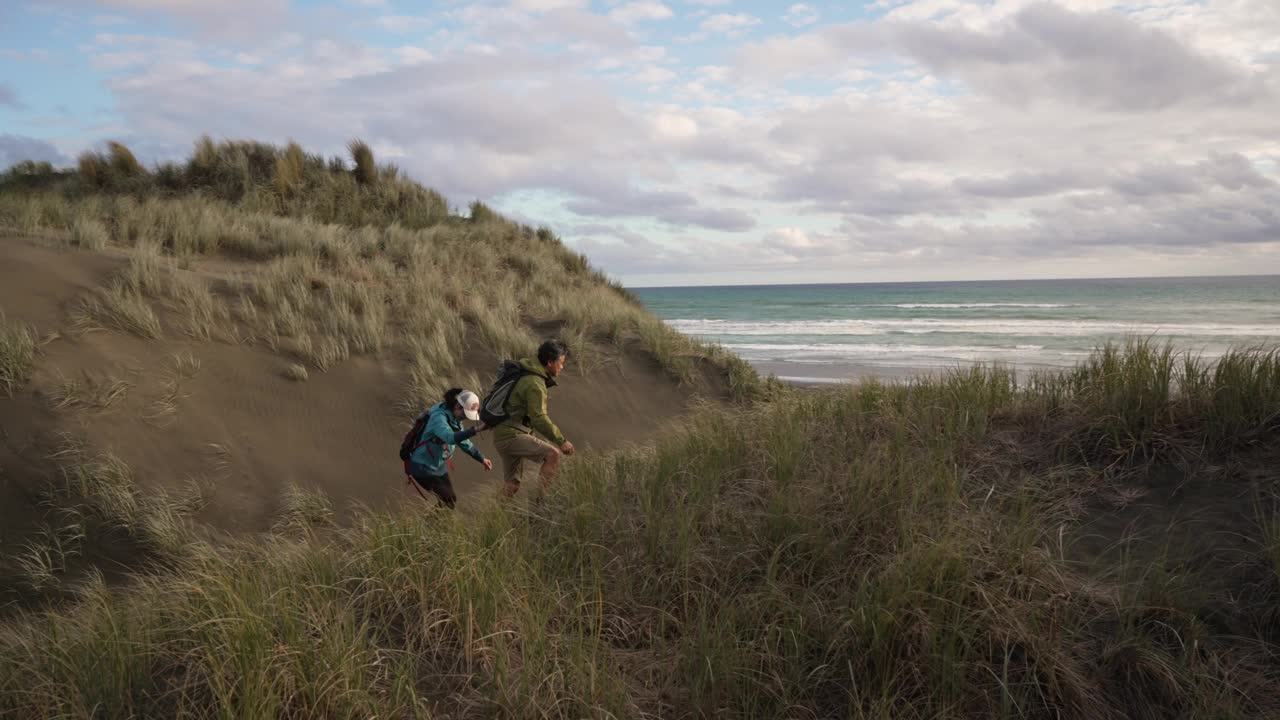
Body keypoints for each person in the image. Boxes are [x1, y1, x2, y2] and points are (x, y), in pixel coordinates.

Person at [493, 339, 574, 498]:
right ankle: (540, 502)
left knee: (512, 485)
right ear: (550, 362)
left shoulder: (527, 370)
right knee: (553, 454)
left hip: (503, 434)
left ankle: (494, 517)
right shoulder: (535, 383)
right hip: (512, 435)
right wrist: (561, 440)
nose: (562, 367)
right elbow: (539, 418)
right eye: (561, 362)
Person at [405, 388, 492, 508]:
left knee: (449, 501)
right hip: (422, 467)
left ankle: (432, 524)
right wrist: (475, 430)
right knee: (448, 501)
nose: (465, 418)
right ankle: (430, 525)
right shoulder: (439, 418)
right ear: (457, 406)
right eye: (465, 414)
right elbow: (450, 438)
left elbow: (463, 442)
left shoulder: (454, 418)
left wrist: (481, 458)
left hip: (438, 466)